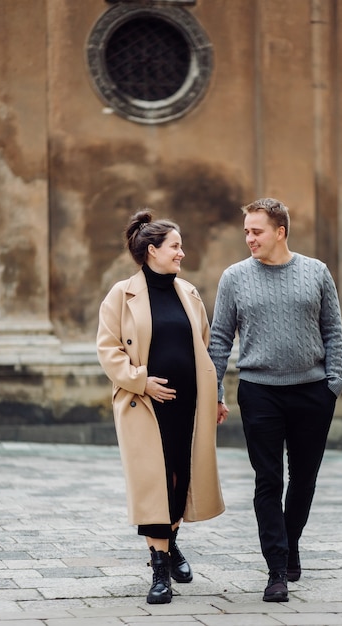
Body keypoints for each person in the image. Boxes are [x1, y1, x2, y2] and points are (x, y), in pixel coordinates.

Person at [209, 198, 342, 603]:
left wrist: (333, 384)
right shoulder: (234, 278)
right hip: (260, 391)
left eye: (257, 231)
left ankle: (290, 543)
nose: (249, 238)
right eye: (247, 232)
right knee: (268, 481)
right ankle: (276, 570)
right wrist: (216, 390)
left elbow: (333, 331)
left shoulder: (316, 271)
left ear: (280, 231)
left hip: (312, 392)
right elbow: (219, 340)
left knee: (303, 479)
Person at [97, 209, 225, 605]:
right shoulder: (121, 294)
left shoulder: (189, 293)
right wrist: (142, 381)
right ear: (152, 251)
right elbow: (108, 349)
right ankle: (159, 570)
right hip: (144, 406)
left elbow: (203, 347)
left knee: (179, 479)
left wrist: (216, 395)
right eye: (175, 246)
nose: (181, 253)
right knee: (155, 483)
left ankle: (169, 546)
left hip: (188, 405)